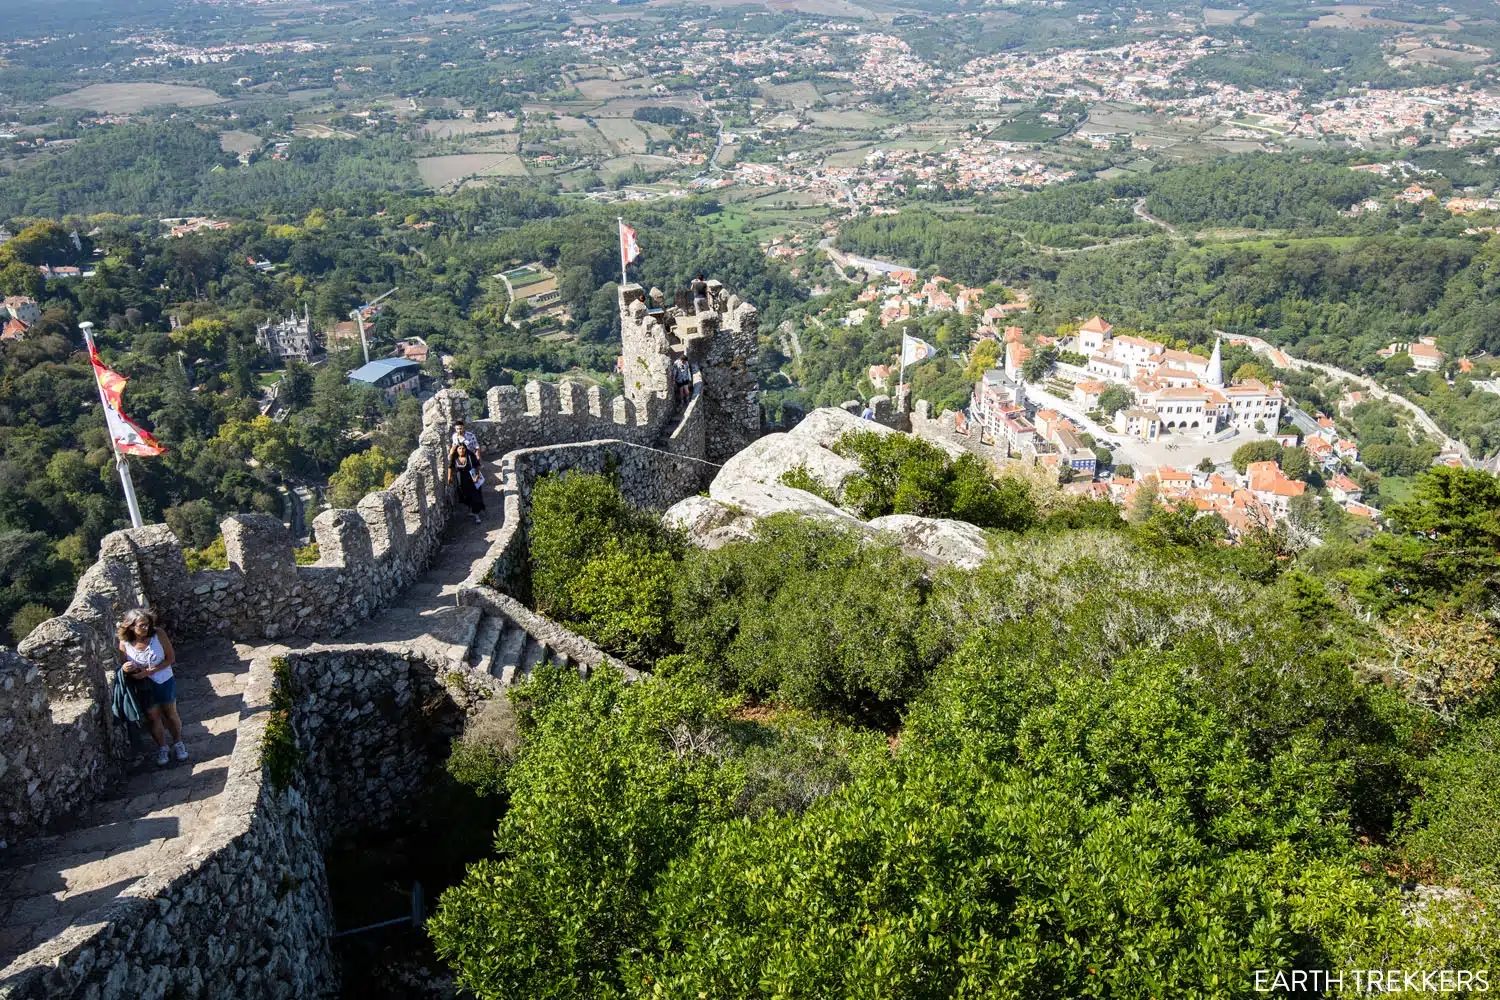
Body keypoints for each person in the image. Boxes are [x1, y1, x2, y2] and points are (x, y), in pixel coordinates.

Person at [118, 608, 186, 767]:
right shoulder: (125, 643)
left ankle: (178, 743)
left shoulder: (158, 635)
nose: (145, 628)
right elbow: (123, 664)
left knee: (170, 713)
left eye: (147, 624)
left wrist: (149, 672)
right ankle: (162, 748)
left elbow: (171, 658)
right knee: (152, 717)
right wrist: (125, 668)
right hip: (143, 686)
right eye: (141, 625)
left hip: (164, 680)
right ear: (130, 626)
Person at [449, 441, 486, 523]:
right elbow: (450, 466)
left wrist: (476, 476)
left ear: (465, 449)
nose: (461, 450)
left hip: (472, 480)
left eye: (463, 448)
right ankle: (471, 509)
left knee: (475, 497)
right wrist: (449, 477)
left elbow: (477, 465)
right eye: (459, 449)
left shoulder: (470, 456)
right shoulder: (455, 458)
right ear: (457, 450)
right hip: (461, 481)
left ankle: (477, 515)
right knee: (465, 496)